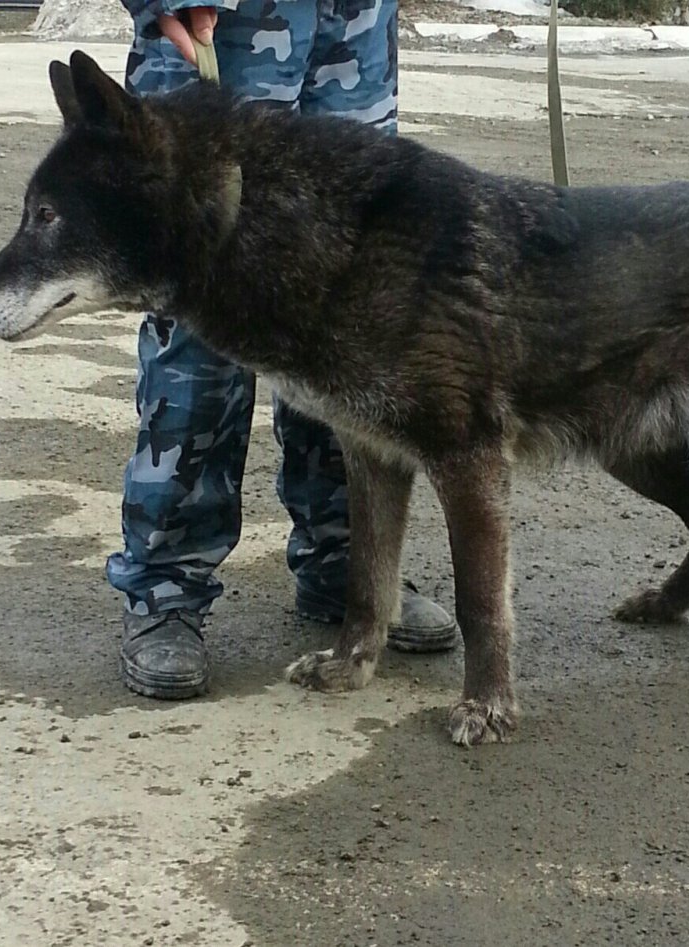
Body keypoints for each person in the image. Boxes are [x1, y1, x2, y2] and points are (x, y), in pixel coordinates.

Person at [111, 0, 458, 699]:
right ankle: (167, 584)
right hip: (225, 19)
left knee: (353, 301)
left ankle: (349, 568)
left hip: (352, 24)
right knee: (202, 305)